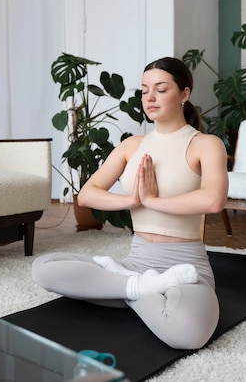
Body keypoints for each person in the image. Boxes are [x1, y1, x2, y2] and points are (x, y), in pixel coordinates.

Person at [32, 57, 229, 350]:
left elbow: (214, 200)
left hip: (185, 266)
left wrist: (153, 200)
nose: (149, 97)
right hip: (136, 261)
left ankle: (124, 288)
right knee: (43, 268)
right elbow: (88, 193)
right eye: (144, 89)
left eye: (161, 89)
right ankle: (138, 287)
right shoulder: (132, 146)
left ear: (184, 94)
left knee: (188, 334)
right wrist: (133, 200)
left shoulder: (205, 144)